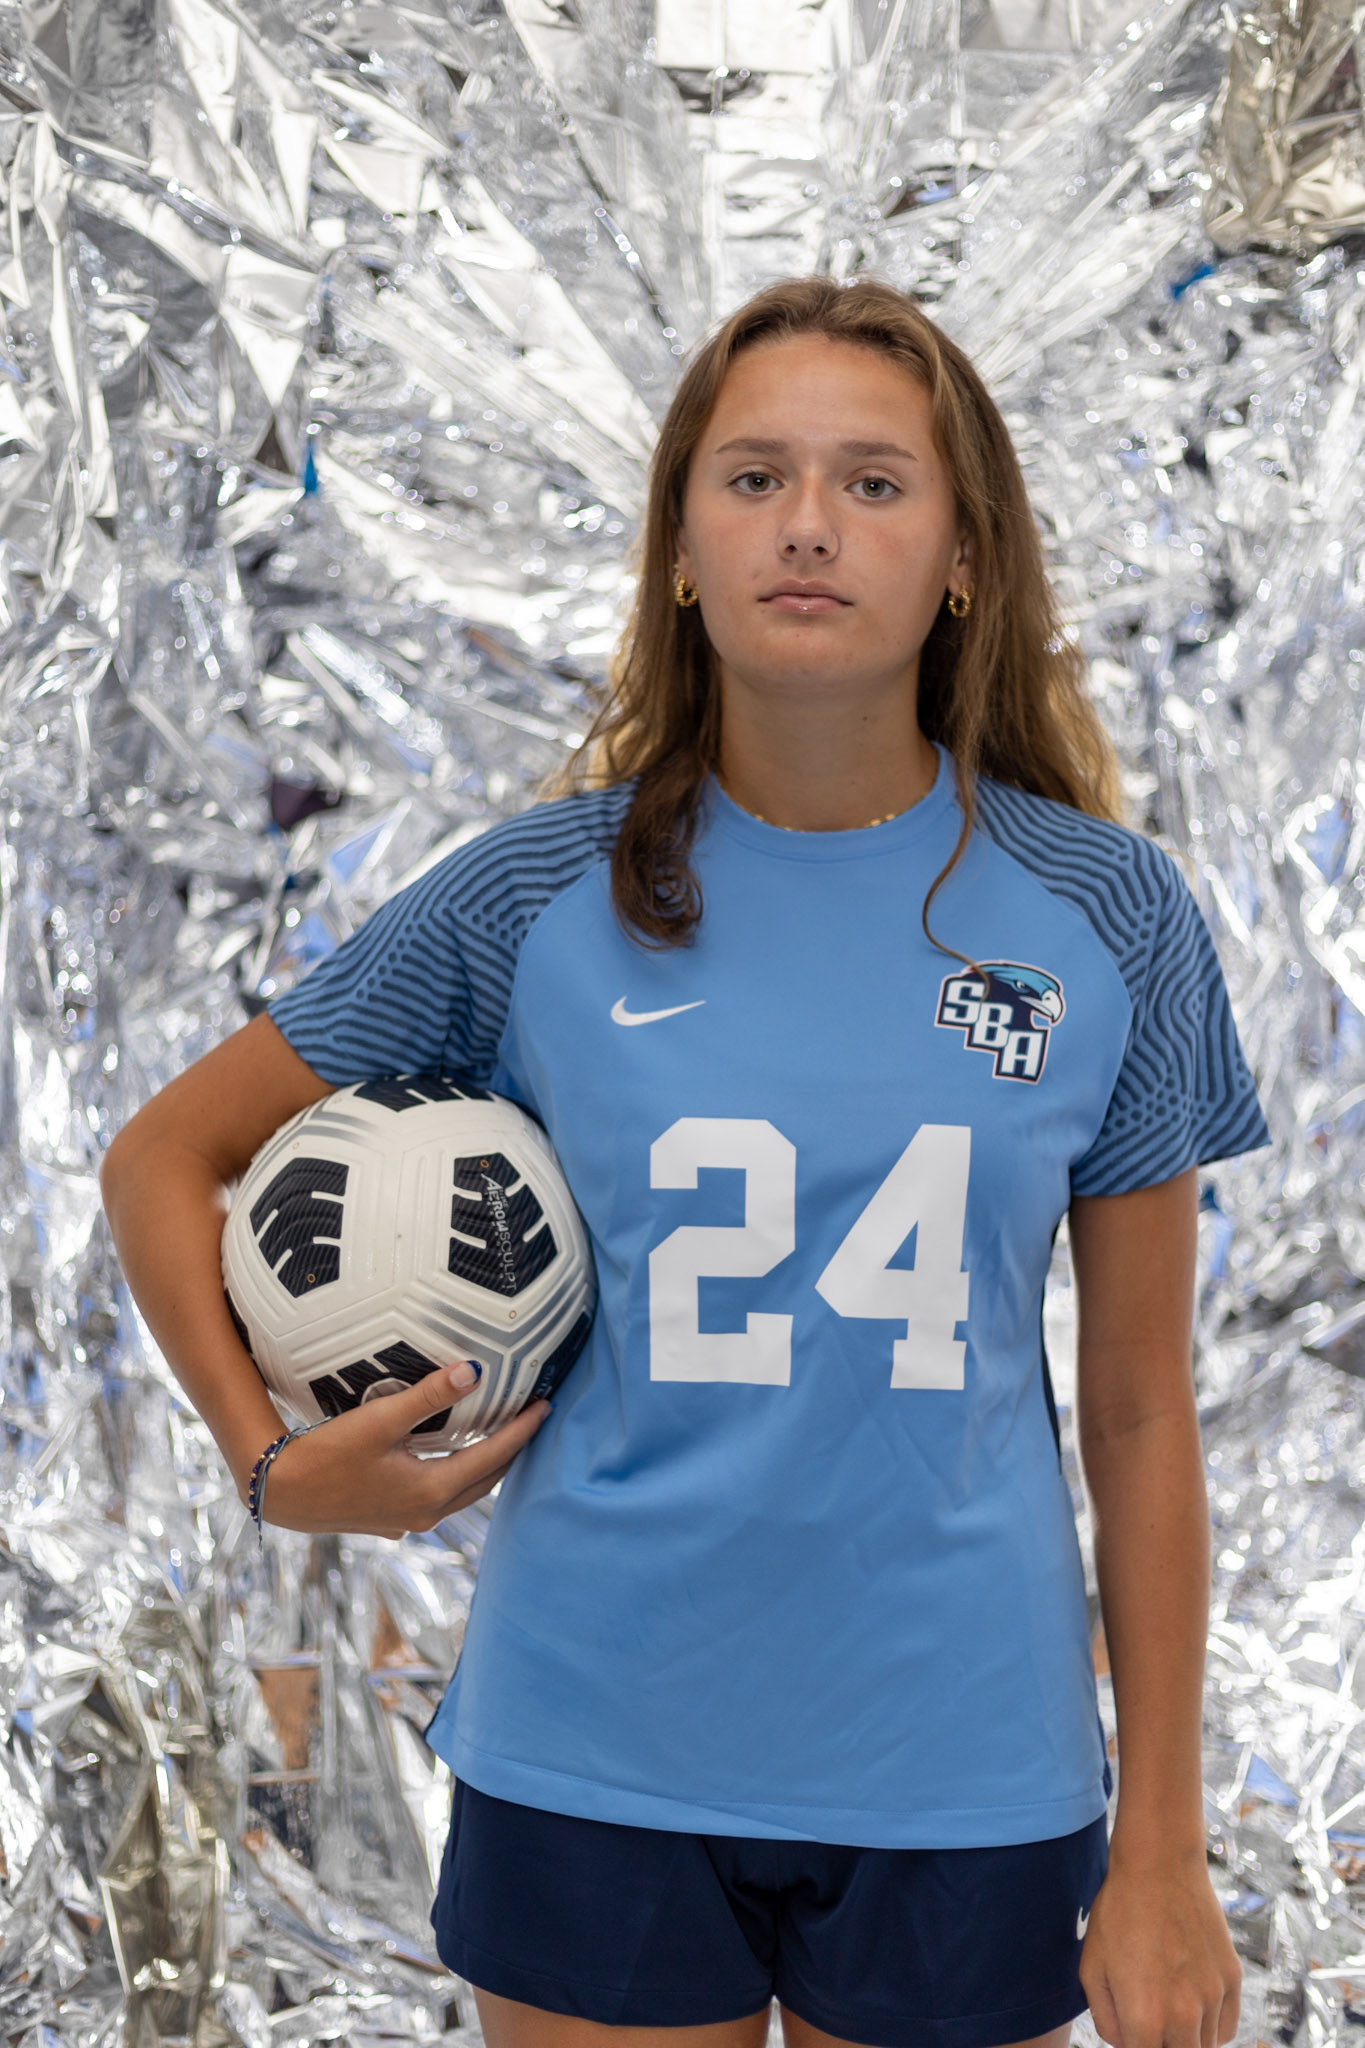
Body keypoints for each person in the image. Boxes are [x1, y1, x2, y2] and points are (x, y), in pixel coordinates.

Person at [100, 273, 1269, 2048]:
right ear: (676, 547)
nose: (808, 524)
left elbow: (1136, 1413)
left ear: (963, 555)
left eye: (874, 482)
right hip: (595, 1751)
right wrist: (272, 1467)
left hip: (964, 1763)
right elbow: (164, 1157)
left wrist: (1166, 1847)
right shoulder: (529, 899)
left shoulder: (1105, 913)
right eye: (752, 478)